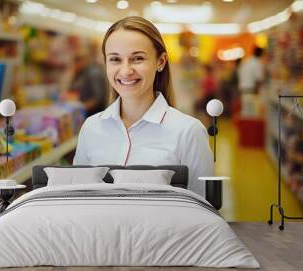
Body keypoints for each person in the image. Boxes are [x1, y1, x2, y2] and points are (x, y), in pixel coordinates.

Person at [73, 16, 213, 197]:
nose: (126, 71)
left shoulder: (188, 132)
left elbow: (202, 210)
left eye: (137, 58)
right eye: (115, 59)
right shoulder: (91, 128)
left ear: (160, 62)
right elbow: (77, 200)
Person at [68, 50, 108, 117]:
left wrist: (82, 107)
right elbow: (74, 88)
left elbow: (99, 98)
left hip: (93, 113)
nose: (74, 65)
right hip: (87, 111)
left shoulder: (94, 74)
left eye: (76, 62)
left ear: (83, 61)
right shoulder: (83, 72)